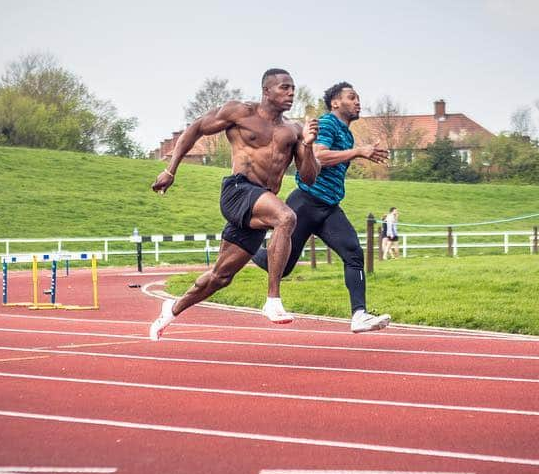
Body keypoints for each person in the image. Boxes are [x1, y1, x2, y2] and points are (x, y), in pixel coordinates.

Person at [148, 69, 320, 341]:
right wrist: (170, 170)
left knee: (221, 276)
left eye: (293, 89)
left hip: (261, 202)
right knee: (287, 217)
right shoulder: (240, 113)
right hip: (238, 190)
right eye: (284, 88)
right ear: (267, 91)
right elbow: (194, 130)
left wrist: (308, 146)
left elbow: (309, 177)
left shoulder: (294, 130)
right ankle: (273, 299)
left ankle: (171, 309)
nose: (290, 93)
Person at [251, 81, 392, 333]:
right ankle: (244, 244)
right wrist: (359, 152)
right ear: (336, 102)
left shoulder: (346, 133)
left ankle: (359, 315)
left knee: (354, 254)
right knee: (282, 267)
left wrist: (356, 150)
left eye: (358, 97)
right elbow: (318, 156)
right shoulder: (327, 123)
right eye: (352, 97)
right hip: (305, 202)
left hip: (328, 207)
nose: (358, 102)